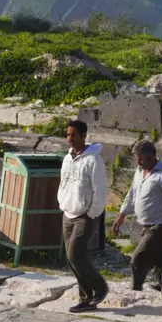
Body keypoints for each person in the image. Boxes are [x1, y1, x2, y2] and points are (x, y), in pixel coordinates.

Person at [113, 139, 162, 296]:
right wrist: (122, 214)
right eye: (138, 160)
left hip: (159, 226)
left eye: (141, 160)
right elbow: (131, 195)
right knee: (161, 263)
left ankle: (135, 291)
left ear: (152, 156)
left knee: (138, 259)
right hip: (145, 225)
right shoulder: (139, 171)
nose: (139, 163)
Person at [56, 119, 108, 312]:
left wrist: (92, 213)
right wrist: (62, 202)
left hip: (85, 214)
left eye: (73, 135)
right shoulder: (67, 158)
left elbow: (100, 190)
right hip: (68, 212)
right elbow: (63, 183)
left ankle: (100, 287)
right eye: (67, 135)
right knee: (71, 258)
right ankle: (86, 300)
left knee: (75, 253)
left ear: (83, 136)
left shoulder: (94, 160)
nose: (69, 139)